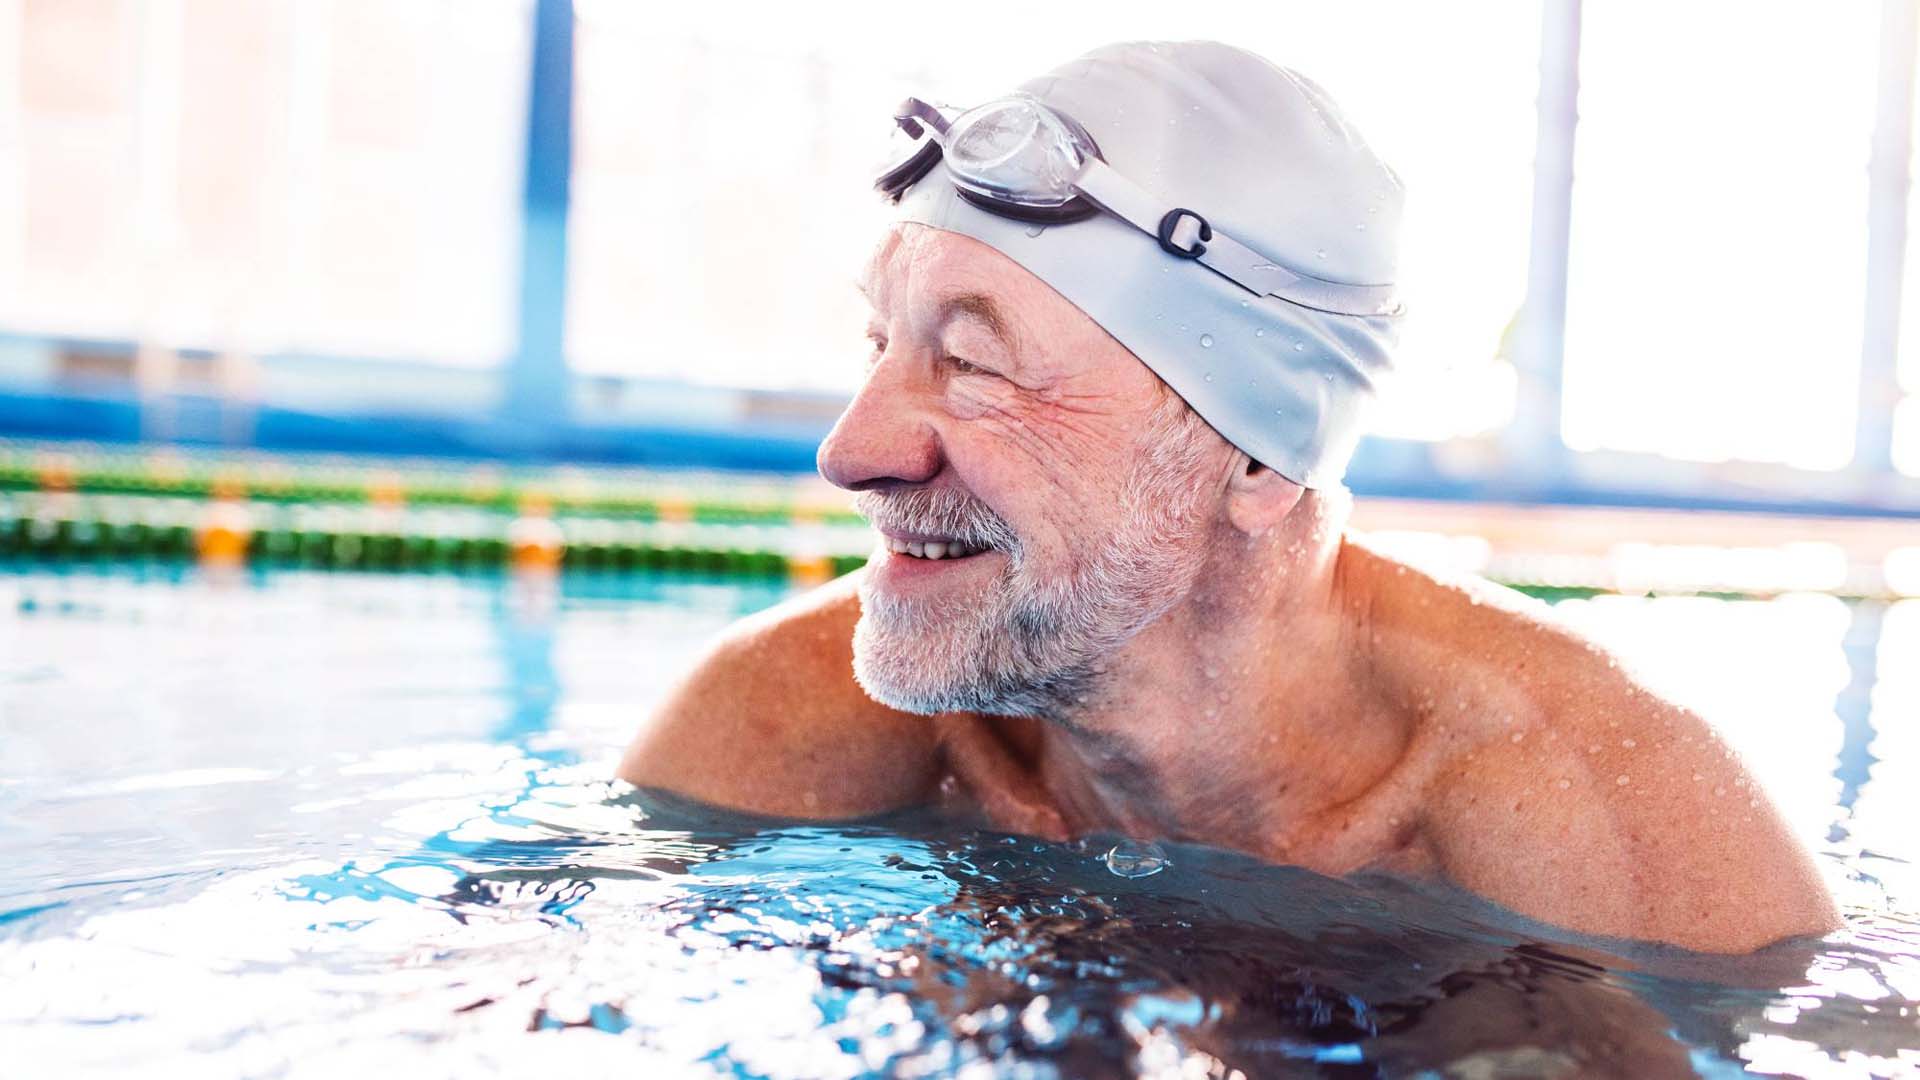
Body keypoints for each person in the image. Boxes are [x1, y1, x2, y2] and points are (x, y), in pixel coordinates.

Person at [617, 40, 1838, 954]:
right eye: (878, 346)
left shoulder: (1608, 824)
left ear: (1257, 457)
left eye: (974, 366)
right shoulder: (785, 717)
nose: (852, 449)